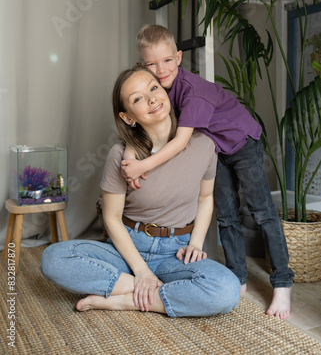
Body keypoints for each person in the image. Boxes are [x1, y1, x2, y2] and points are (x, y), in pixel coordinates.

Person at [121, 24, 294, 320]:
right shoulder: (157, 91)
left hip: (242, 142)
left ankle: (282, 283)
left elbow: (181, 141)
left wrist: (142, 165)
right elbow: (139, 127)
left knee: (262, 211)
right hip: (215, 150)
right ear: (141, 65)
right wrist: (129, 155)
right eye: (151, 64)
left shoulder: (193, 91)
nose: (160, 70)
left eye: (166, 60)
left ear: (178, 57)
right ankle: (238, 276)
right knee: (226, 215)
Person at [40, 66, 240, 317]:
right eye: (137, 98)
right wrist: (142, 272)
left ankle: (126, 300)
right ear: (128, 117)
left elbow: (205, 197)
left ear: (165, 91)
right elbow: (111, 218)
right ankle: (145, 288)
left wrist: (196, 243)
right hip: (128, 248)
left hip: (175, 252)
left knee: (227, 290)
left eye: (154, 88)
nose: (151, 98)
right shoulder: (120, 156)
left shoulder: (204, 145)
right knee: (54, 258)